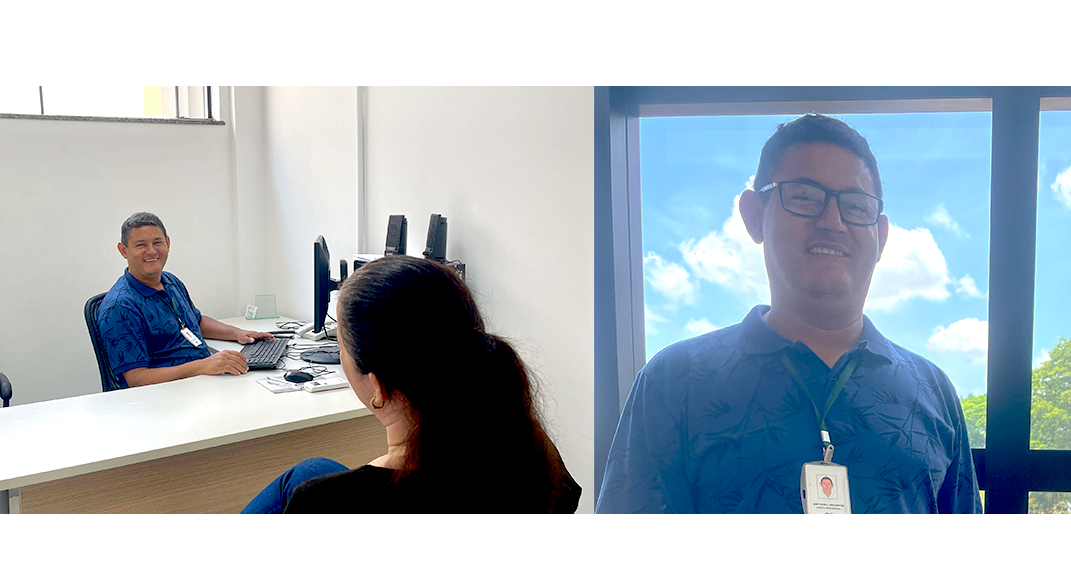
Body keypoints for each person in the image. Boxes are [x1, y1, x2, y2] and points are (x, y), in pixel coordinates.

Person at [598, 114, 979, 513]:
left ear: (880, 236)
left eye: (855, 206)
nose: (832, 221)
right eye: (803, 196)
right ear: (754, 214)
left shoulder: (933, 391)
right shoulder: (674, 382)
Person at [241, 256, 580, 513]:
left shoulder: (322, 503)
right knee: (312, 469)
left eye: (341, 346)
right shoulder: (534, 455)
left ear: (377, 386)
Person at [97, 212, 276, 388]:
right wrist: (203, 366)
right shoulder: (120, 307)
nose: (151, 251)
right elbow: (136, 379)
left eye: (157, 242)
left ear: (167, 243)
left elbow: (195, 322)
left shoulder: (170, 282)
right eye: (141, 245)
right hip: (167, 396)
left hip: (201, 381)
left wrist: (238, 334)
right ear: (123, 250)